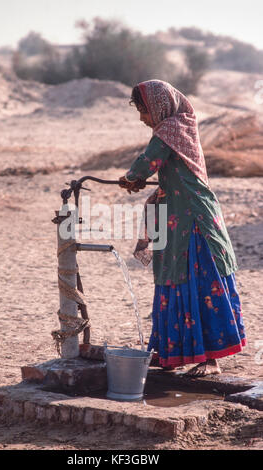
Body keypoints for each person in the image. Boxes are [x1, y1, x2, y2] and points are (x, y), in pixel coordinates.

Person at [119, 80, 246, 376]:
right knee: (172, 278)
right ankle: (169, 354)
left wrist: (130, 177)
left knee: (198, 280)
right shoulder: (179, 127)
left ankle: (210, 358)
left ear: (159, 107)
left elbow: (148, 161)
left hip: (194, 220)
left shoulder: (171, 130)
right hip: (177, 215)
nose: (142, 118)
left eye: (143, 111)